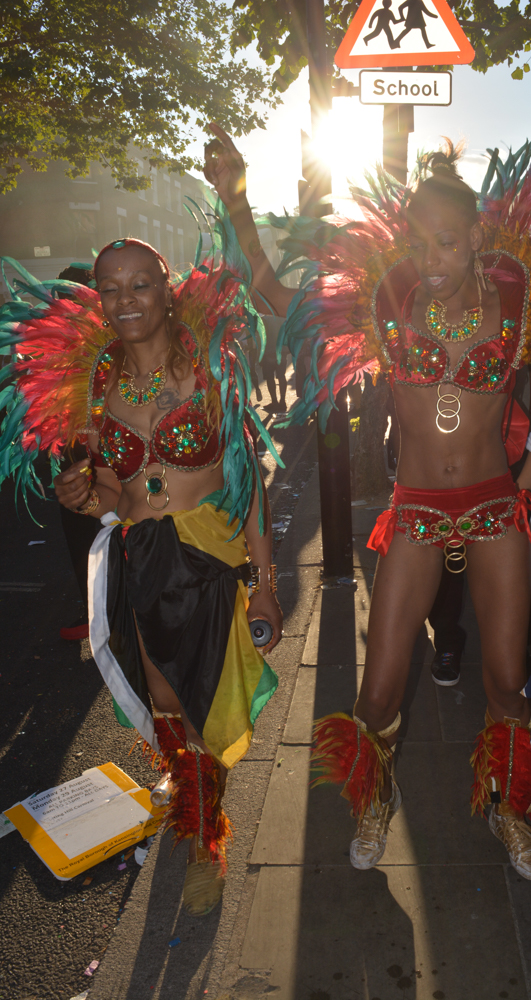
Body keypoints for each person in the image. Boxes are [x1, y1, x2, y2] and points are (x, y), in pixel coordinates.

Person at [204, 127, 531, 878]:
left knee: (506, 680)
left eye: (446, 244)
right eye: (420, 245)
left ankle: (507, 804)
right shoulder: (389, 297)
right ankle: (373, 797)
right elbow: (278, 298)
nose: (432, 262)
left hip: (492, 510)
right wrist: (239, 204)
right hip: (415, 510)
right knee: (378, 687)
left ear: (475, 237)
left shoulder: (514, 294)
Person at [0, 231, 283, 915]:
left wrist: (264, 582)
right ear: (100, 298)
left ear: (167, 287)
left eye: (140, 283)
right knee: (164, 701)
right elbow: (112, 490)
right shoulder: (99, 380)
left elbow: (245, 483)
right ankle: (191, 809)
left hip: (208, 559)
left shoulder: (207, 367)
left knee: (201, 706)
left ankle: (203, 837)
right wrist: (82, 494)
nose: (126, 299)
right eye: (111, 286)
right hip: (138, 560)